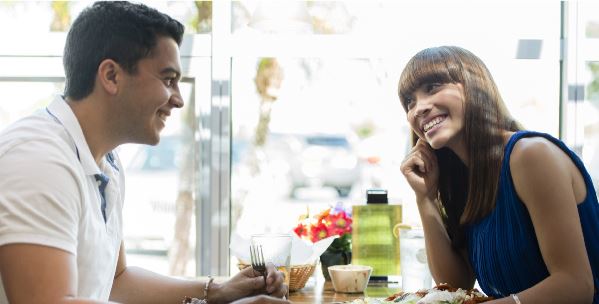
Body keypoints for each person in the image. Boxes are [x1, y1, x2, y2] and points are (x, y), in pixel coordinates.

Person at [0, 2, 289, 304]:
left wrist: (218, 292)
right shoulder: (38, 161)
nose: (177, 100)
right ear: (111, 76)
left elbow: (116, 281)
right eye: (168, 80)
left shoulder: (106, 161)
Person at [399, 46, 598, 303]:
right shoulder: (465, 179)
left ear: (473, 86)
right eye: (409, 102)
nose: (418, 109)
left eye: (433, 87)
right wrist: (425, 198)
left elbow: (576, 286)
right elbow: (456, 285)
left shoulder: (531, 155)